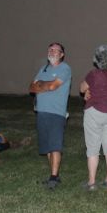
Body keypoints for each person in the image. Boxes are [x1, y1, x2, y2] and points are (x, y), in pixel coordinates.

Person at [29, 42, 72, 189]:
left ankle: (53, 178)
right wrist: (44, 84)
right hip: (42, 112)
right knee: (47, 146)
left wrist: (41, 84)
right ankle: (54, 175)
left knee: (55, 146)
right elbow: (31, 87)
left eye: (56, 50)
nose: (52, 52)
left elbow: (54, 86)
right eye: (50, 50)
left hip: (56, 112)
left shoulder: (65, 68)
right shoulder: (43, 68)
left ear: (62, 54)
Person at [79, 45, 107, 190]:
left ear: (96, 60)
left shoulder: (93, 74)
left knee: (93, 148)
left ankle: (91, 183)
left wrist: (87, 90)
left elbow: (82, 88)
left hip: (95, 113)